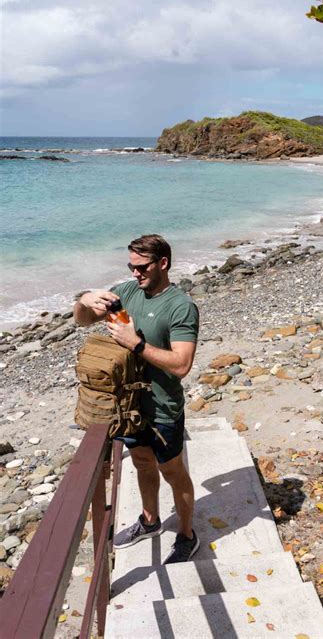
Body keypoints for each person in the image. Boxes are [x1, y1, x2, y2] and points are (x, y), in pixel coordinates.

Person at [73, 234, 200, 563]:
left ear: (163, 264)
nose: (135, 274)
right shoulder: (127, 292)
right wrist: (85, 299)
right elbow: (82, 320)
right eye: (131, 267)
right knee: (142, 463)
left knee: (173, 473)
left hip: (162, 408)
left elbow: (183, 364)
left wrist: (136, 344)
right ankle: (150, 520)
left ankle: (187, 534)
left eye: (141, 267)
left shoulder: (180, 306)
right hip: (127, 408)